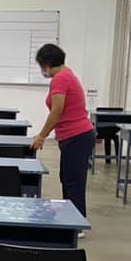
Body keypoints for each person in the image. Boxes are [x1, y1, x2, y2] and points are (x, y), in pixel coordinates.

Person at [31, 44, 95, 219]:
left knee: (73, 183)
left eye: (42, 66)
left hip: (77, 136)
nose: (42, 70)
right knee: (68, 179)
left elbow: (57, 110)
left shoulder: (60, 79)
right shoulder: (67, 74)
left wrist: (42, 136)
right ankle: (70, 219)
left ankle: (76, 224)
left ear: (47, 64)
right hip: (75, 136)